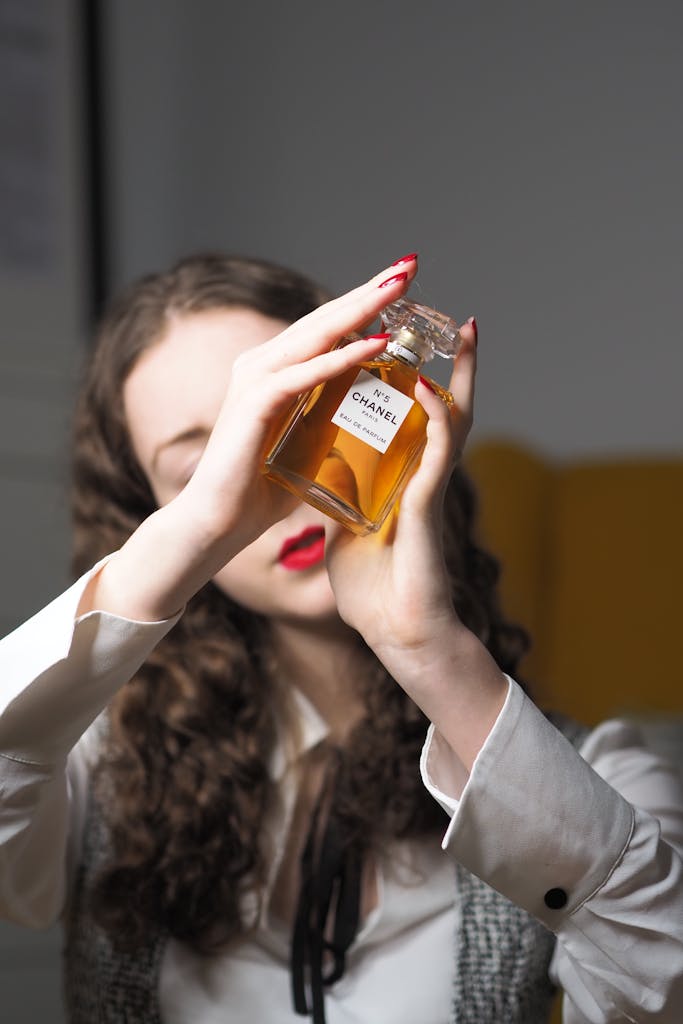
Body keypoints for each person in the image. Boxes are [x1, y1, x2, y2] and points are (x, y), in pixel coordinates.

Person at [0, 251, 681, 1024]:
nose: (279, 491)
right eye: (203, 466)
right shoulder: (87, 766)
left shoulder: (598, 781)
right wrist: (187, 537)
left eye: (297, 414)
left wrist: (432, 654)